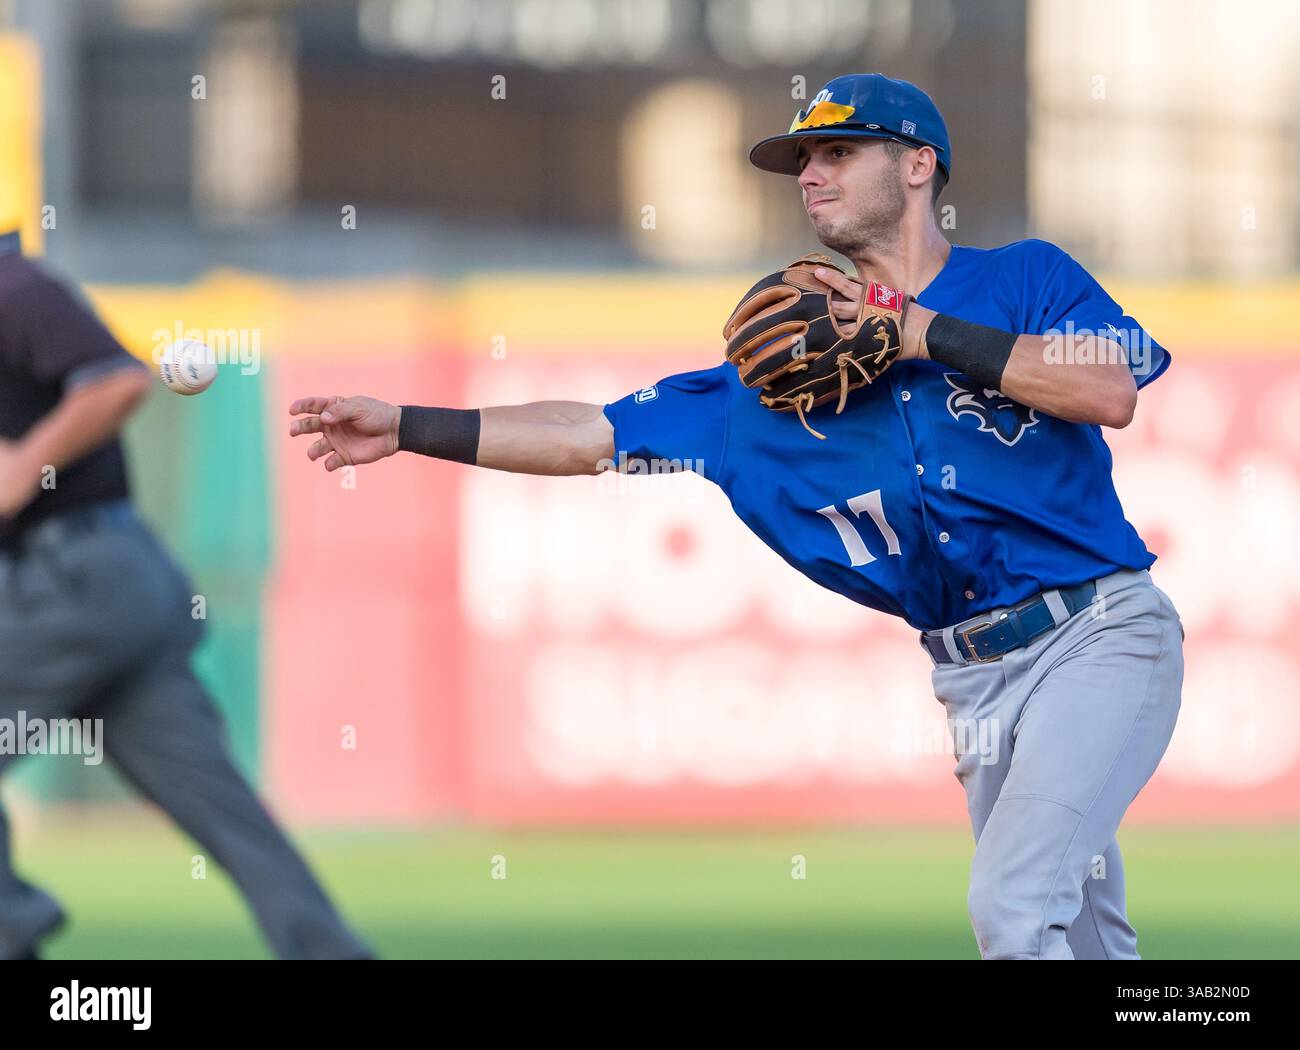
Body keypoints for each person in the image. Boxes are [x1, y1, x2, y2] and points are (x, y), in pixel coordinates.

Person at [289, 74, 1183, 960]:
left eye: (839, 151)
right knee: (1088, 945)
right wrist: (409, 427)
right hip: (973, 681)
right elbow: (585, 432)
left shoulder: (1024, 279)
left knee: (1016, 906)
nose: (811, 175)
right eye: (802, 161)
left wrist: (916, 328)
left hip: (1098, 637)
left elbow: (1108, 387)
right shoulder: (772, 380)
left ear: (918, 166)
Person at [0, 229, 370, 959]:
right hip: (113, 585)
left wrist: (22, 469)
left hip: (74, 578)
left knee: (224, 811)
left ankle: (11, 931)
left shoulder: (14, 288)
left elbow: (118, 379)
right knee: (226, 812)